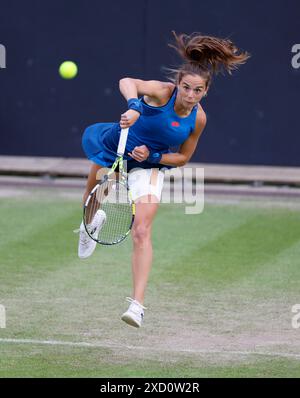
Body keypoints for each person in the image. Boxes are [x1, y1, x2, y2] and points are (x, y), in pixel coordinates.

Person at [77, 31, 250, 328]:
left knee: (142, 231)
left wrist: (153, 158)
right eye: (186, 88)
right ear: (178, 84)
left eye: (197, 91)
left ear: (205, 91)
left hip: (149, 164)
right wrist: (133, 107)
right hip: (118, 144)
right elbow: (127, 82)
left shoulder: (198, 119)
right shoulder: (162, 91)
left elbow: (182, 158)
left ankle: (137, 306)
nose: (190, 95)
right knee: (95, 191)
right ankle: (88, 223)